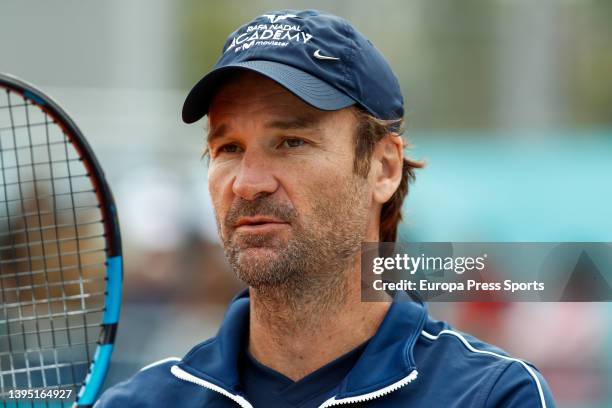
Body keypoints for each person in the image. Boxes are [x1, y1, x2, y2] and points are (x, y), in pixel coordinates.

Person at [96, 9, 556, 407]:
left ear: (384, 168)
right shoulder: (141, 401)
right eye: (229, 147)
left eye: (291, 142)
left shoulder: (493, 396)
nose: (248, 183)